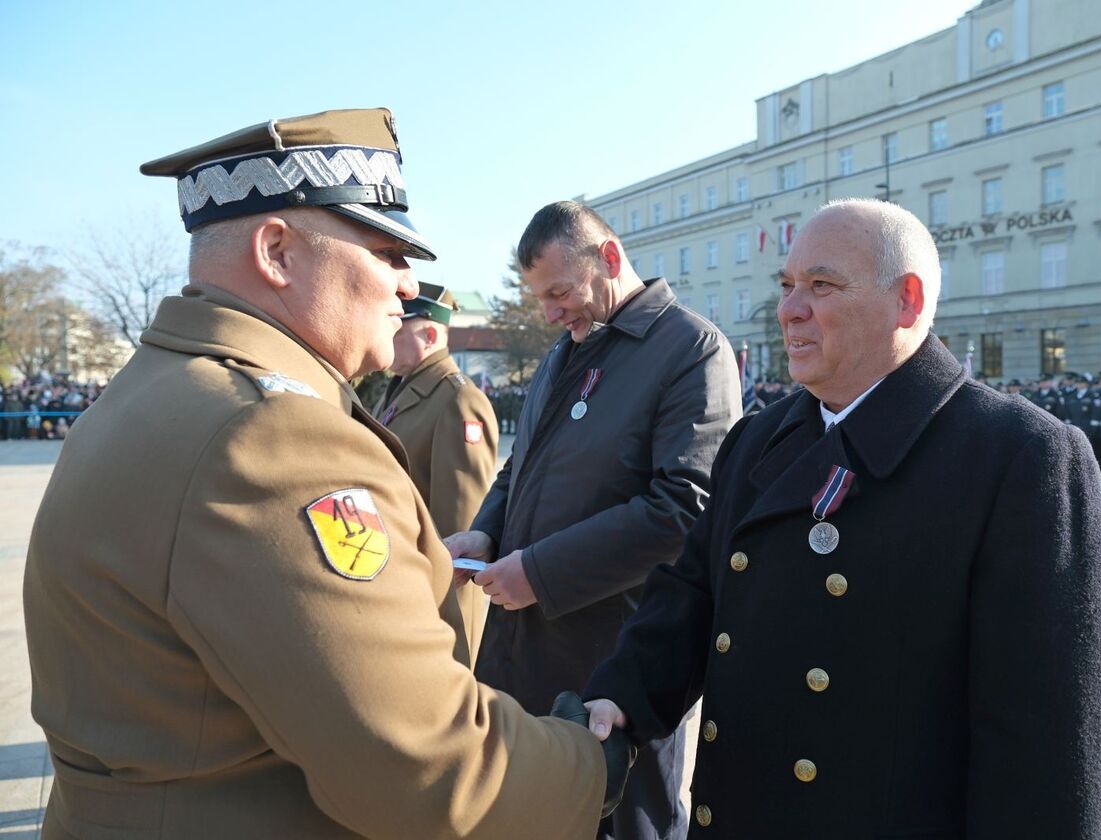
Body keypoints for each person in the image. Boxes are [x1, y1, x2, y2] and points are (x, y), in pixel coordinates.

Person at [23, 109, 630, 839]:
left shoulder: (152, 391)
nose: (406, 287)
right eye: (386, 252)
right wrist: (589, 763)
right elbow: (427, 768)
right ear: (277, 251)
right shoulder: (272, 435)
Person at [583, 199, 1101, 838]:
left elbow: (1050, 750)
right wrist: (622, 695)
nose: (788, 310)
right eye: (786, 286)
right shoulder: (757, 441)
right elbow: (690, 595)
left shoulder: (1019, 457)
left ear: (907, 301)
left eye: (821, 285)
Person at [444, 200, 741, 840]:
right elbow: (520, 466)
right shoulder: (563, 352)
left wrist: (540, 573)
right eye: (540, 299)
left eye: (560, 292)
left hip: (614, 663)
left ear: (608, 258)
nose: (550, 312)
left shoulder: (691, 350)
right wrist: (487, 532)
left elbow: (685, 507)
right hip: (520, 655)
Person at [373, 282, 498, 659]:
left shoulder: (458, 400)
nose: (388, 332)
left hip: (435, 601)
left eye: (399, 326)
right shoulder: (398, 388)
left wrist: (438, 609)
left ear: (429, 334)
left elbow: (460, 526)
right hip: (399, 583)